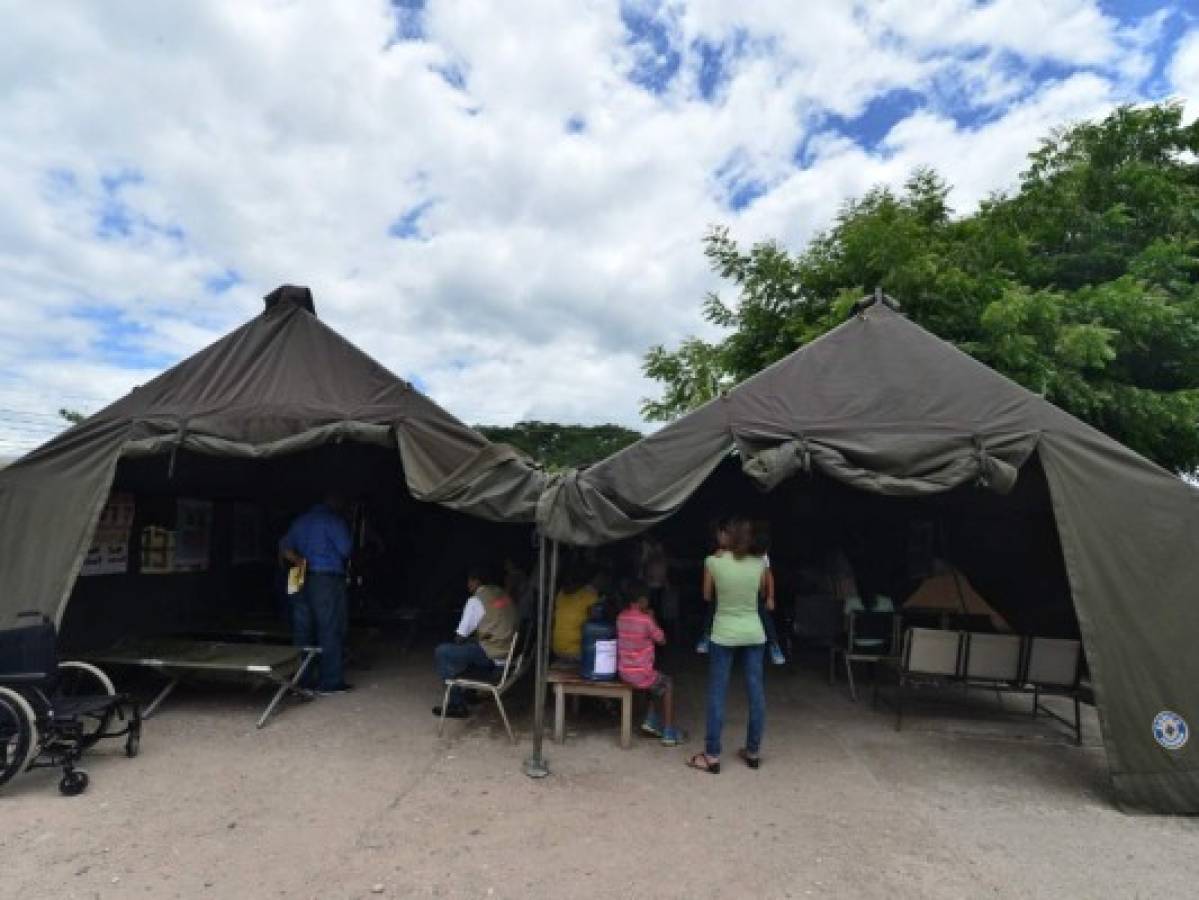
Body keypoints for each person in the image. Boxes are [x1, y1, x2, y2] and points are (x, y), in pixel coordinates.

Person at [689, 517, 771, 774]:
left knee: (717, 693)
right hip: (754, 632)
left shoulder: (712, 562)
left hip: (723, 633)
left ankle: (712, 756)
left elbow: (706, 596)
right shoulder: (759, 563)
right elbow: (761, 593)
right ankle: (753, 752)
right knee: (756, 692)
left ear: (727, 537)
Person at [279, 492, 354, 695]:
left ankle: (303, 680)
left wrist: (300, 561)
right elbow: (346, 550)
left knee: (303, 629)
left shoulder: (300, 521)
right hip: (326, 578)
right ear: (334, 501)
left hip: (300, 576)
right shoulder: (333, 521)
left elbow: (285, 547)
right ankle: (330, 682)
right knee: (329, 626)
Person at [432, 563, 519, 719]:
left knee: (443, 651)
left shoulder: (475, 601)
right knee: (472, 646)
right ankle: (470, 693)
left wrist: (457, 643)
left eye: (469, 581)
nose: (468, 585)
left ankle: (456, 704)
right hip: (509, 651)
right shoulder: (502, 593)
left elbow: (460, 636)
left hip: (494, 655)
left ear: (476, 581)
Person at [695, 520, 786, 665]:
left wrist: (770, 597)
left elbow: (767, 578)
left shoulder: (759, 555)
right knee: (715, 605)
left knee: (763, 614)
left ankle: (774, 645)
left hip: (751, 594)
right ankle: (706, 635)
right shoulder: (724, 553)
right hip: (734, 593)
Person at [617, 581, 684, 746]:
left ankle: (651, 719)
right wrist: (652, 618)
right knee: (667, 683)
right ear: (641, 601)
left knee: (654, 677)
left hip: (624, 672)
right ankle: (668, 731)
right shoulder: (646, 620)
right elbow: (661, 639)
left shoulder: (621, 617)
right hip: (641, 675)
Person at [550, 563, 599, 662]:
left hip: (557, 648)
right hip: (576, 652)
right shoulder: (589, 595)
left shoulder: (560, 594)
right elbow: (596, 624)